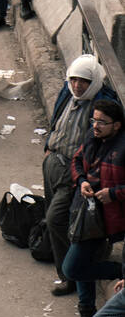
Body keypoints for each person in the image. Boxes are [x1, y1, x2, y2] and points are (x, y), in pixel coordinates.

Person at [42, 54, 114, 300]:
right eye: (73, 80)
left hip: (74, 172)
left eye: (83, 81)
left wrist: (82, 176)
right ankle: (68, 266)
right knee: (53, 214)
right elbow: (57, 120)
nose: (77, 85)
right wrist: (49, 146)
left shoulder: (100, 106)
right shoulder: (68, 94)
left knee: (56, 218)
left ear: (93, 82)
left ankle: (68, 275)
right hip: (54, 161)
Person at [61, 99, 125, 317]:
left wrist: (113, 193)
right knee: (79, 266)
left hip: (110, 218)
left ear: (117, 125)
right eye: (94, 120)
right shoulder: (91, 138)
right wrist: (82, 182)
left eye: (102, 122)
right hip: (86, 213)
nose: (95, 126)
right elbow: (76, 161)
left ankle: (120, 271)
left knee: (73, 268)